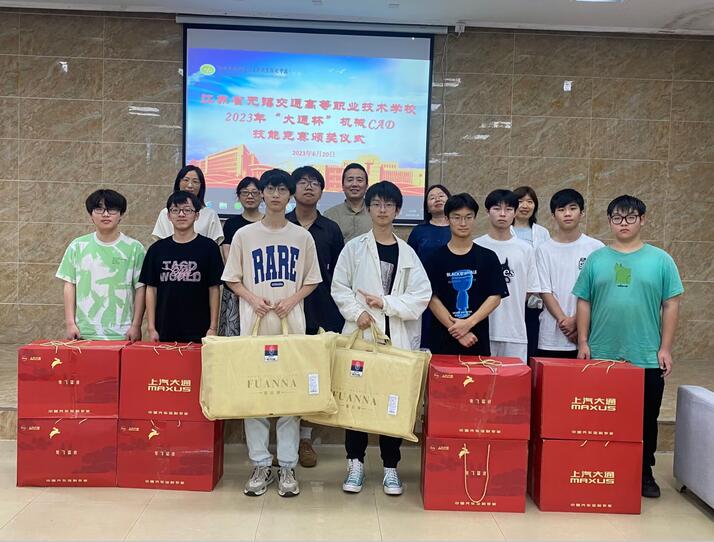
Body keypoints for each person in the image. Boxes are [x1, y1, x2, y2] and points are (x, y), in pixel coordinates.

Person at [573, 195, 683, 499]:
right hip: (601, 353)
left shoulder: (661, 260)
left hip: (645, 355)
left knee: (645, 418)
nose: (624, 223)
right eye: (618, 218)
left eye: (630, 217)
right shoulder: (597, 259)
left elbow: (671, 304)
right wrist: (583, 342)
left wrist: (665, 348)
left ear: (642, 220)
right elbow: (584, 301)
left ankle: (643, 473)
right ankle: (599, 467)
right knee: (600, 417)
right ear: (609, 222)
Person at [222, 169, 322, 498]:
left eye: (282, 189)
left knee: (291, 395)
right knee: (256, 395)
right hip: (255, 327)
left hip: (291, 327)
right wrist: (253, 299)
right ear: (262, 194)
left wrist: (291, 300)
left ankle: (288, 466)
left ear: (290, 195)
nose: (276, 195)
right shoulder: (244, 235)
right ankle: (261, 463)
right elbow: (232, 278)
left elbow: (312, 279)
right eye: (270, 189)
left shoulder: (302, 237)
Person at [332, 181, 431, 496]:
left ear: (398, 210)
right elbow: (339, 287)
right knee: (357, 401)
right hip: (362, 334)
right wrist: (356, 312)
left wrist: (385, 304)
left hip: (395, 338)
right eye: (377, 204)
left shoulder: (408, 253)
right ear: (369, 208)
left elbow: (421, 296)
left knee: (392, 403)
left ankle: (391, 467)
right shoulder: (354, 248)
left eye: (389, 204)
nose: (383, 209)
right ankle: (355, 463)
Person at [286, 166, 345, 469]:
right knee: (287, 371)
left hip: (322, 309)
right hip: (285, 310)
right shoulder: (281, 224)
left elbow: (339, 274)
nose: (309, 187)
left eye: (315, 183)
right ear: (292, 189)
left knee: (314, 374)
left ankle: (305, 438)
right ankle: (284, 440)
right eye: (303, 182)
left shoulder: (331, 229)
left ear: (322, 191)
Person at [56, 189, 146, 341]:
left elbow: (141, 289)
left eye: (112, 209)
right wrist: (70, 324)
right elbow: (69, 285)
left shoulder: (135, 248)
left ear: (121, 214)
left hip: (123, 332)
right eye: (99, 209)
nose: (105, 214)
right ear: (90, 214)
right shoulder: (77, 246)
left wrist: (136, 325)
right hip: (84, 332)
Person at [425, 193, 508, 355]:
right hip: (442, 340)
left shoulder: (488, 257)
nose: (463, 223)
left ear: (475, 218)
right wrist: (458, 331)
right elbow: (431, 298)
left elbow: (495, 297)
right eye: (456, 217)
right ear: (447, 219)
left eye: (468, 217)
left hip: (477, 339)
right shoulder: (434, 258)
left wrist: (468, 323)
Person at [140, 191, 224, 343]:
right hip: (164, 328)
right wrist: (151, 327)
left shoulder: (209, 248)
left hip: (200, 329)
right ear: (168, 216)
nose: (181, 214)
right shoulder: (157, 249)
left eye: (187, 210)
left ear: (197, 215)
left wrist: (213, 327)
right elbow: (151, 289)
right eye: (175, 210)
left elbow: (214, 289)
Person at [535, 189, 603, 358]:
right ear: (553, 215)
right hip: (551, 335)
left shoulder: (596, 248)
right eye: (561, 209)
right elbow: (544, 290)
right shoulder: (543, 250)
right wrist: (564, 321)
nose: (567, 214)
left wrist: (577, 321)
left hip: (586, 335)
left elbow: (598, 291)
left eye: (572, 208)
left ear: (582, 213)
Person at [474, 189, 540, 362]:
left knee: (513, 378)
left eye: (509, 209)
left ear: (515, 212)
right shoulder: (475, 246)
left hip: (514, 332)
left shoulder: (525, 249)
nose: (502, 214)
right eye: (497, 208)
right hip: (480, 331)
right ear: (487, 211)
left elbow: (529, 289)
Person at [408, 184, 453, 347]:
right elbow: (409, 261)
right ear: (427, 206)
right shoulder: (419, 231)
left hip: (452, 288)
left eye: (441, 196)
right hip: (424, 292)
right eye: (432, 198)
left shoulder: (458, 228)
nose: (437, 199)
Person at [218, 177, 263, 337]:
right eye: (245, 192)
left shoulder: (267, 222)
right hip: (235, 287)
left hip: (261, 284)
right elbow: (228, 255)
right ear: (238, 196)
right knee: (234, 335)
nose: (250, 196)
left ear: (262, 195)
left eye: (254, 192)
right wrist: (239, 285)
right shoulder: (231, 223)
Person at [511, 186, 550, 358]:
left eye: (529, 201)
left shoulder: (542, 233)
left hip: (534, 299)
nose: (525, 206)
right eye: (520, 201)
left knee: (531, 343)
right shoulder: (505, 230)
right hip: (510, 295)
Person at [151, 165, 224, 244]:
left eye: (195, 181)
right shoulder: (165, 213)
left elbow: (213, 246)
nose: (190, 185)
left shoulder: (210, 214)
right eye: (186, 180)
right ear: (178, 183)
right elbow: (160, 244)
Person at [324, 162, 372, 242]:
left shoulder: (376, 214)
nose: (354, 184)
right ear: (343, 186)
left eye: (359, 180)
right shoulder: (329, 215)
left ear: (367, 186)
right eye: (350, 180)